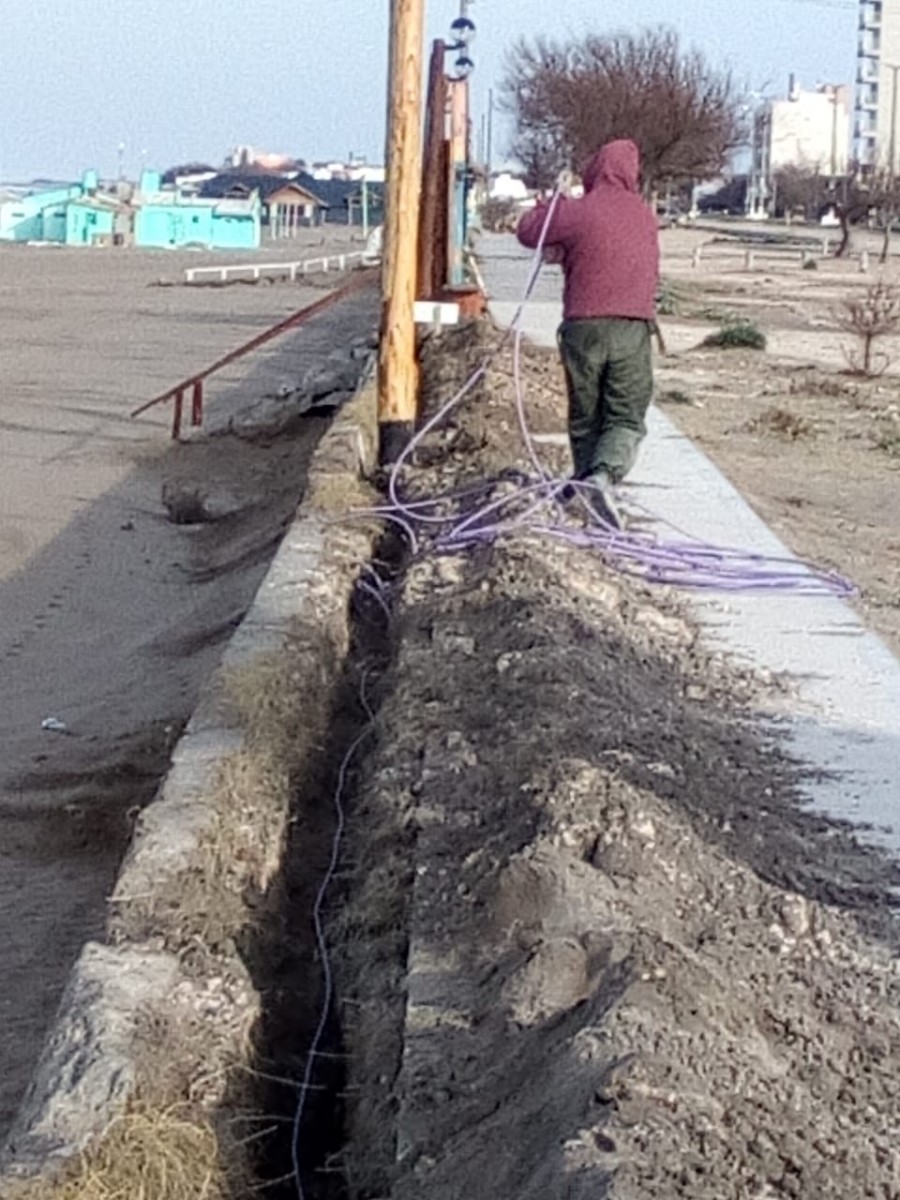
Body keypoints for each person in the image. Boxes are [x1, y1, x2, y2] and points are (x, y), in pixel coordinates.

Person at [516, 138, 660, 530]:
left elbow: (529, 231)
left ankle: (584, 481)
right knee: (625, 415)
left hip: (582, 326)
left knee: (586, 413)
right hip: (631, 326)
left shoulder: (579, 211)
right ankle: (602, 477)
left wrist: (553, 201)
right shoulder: (645, 216)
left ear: (596, 169)